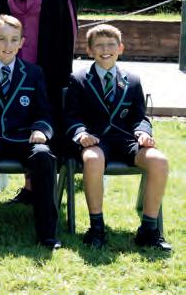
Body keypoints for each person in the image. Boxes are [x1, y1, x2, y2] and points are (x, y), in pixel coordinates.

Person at [64, 24, 171, 251]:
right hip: (94, 140)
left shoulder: (133, 80)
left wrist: (143, 133)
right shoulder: (79, 78)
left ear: (120, 48)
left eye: (111, 45)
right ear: (89, 50)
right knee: (93, 159)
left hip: (125, 140)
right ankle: (96, 227)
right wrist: (81, 134)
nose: (106, 50)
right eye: (99, 45)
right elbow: (71, 116)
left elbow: (139, 117)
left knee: (159, 161)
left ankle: (149, 230)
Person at [0, 15, 60, 249]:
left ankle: (47, 234)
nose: (8, 45)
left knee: (43, 155)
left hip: (24, 138)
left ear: (22, 42)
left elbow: (44, 112)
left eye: (14, 39)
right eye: (2, 39)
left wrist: (40, 129)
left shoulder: (33, 73)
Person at [0, 0, 79, 205]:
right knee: (20, 119)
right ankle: (29, 187)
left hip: (47, 69)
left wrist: (61, 72)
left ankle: (45, 186)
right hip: (14, 65)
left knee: (45, 120)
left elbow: (69, 31)